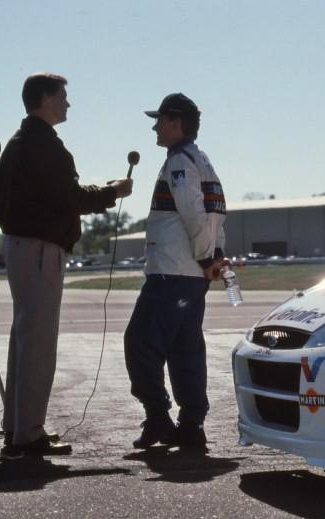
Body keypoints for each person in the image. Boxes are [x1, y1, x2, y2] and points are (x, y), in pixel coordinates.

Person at [0, 72, 133, 459]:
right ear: (44, 99)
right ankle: (28, 436)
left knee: (25, 340)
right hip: (39, 249)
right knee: (37, 344)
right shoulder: (41, 144)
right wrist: (112, 192)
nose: (68, 103)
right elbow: (68, 196)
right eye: (62, 96)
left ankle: (18, 428)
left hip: (22, 246)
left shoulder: (20, 142)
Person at [125, 93, 227, 450]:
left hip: (171, 274)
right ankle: (191, 425)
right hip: (193, 277)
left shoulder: (179, 164)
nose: (155, 126)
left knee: (139, 344)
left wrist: (204, 260)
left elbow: (195, 216)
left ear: (175, 121)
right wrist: (214, 259)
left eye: (159, 119)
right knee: (186, 350)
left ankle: (158, 418)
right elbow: (217, 218)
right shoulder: (203, 161)